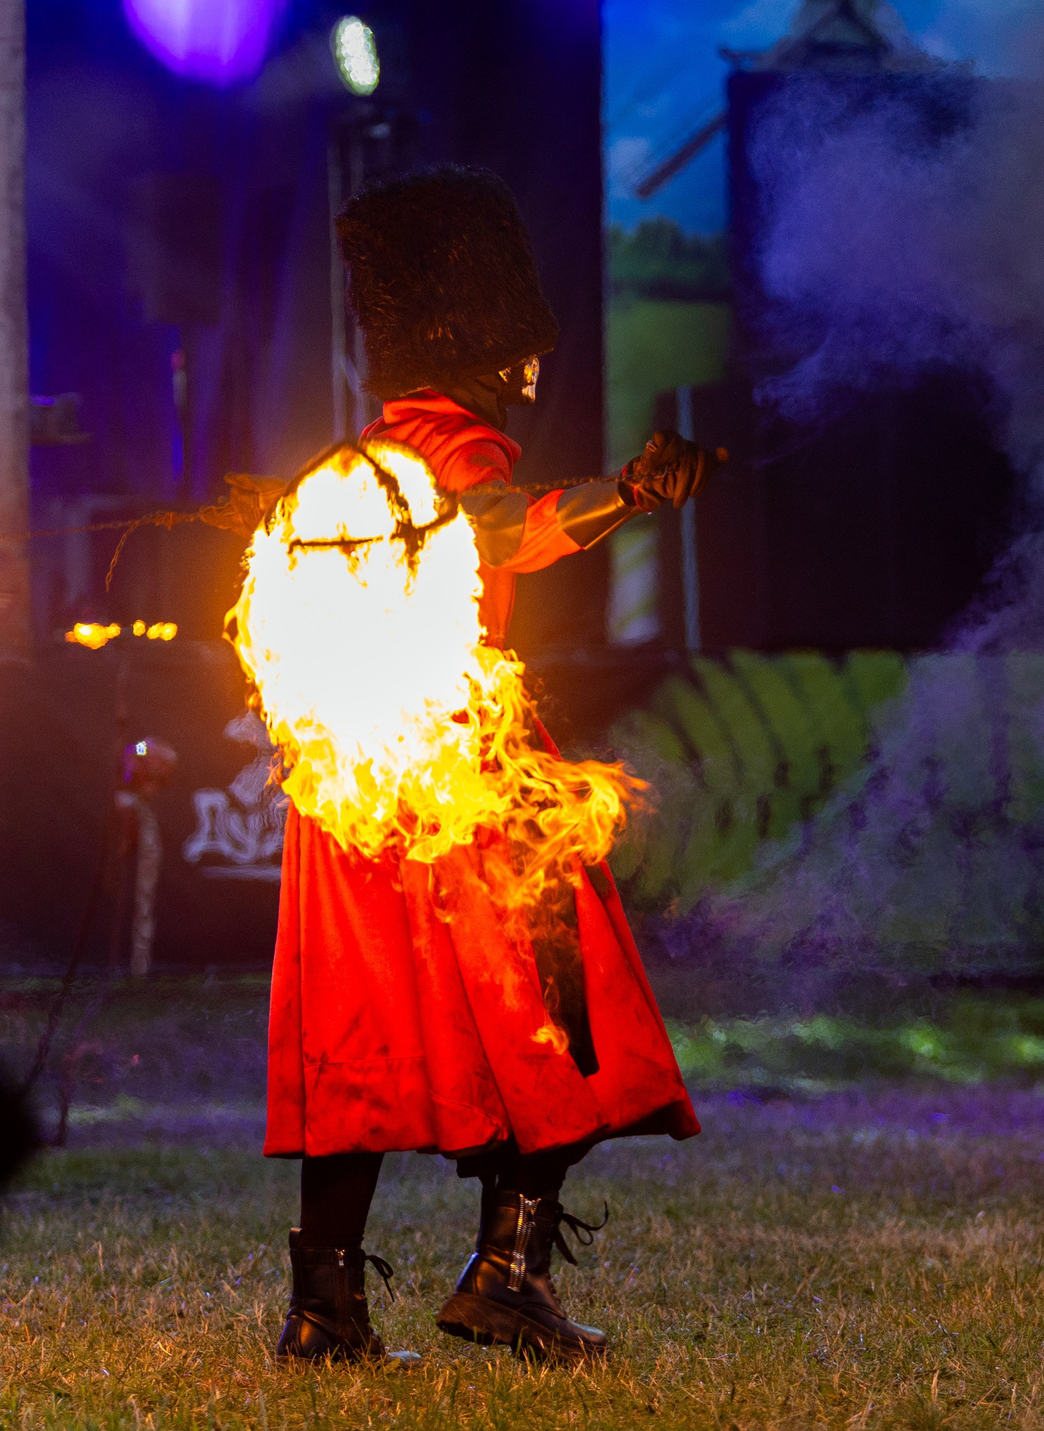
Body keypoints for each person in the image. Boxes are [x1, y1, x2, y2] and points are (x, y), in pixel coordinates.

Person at [265, 167, 713, 1366]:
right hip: (467, 771)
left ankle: (326, 1313)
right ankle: (505, 1275)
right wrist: (627, 489)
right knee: (567, 1015)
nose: (531, 371)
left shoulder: (360, 455)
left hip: (352, 787)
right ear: (481, 346)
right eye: (520, 352)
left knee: (353, 1039)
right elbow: (506, 525)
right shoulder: (458, 448)